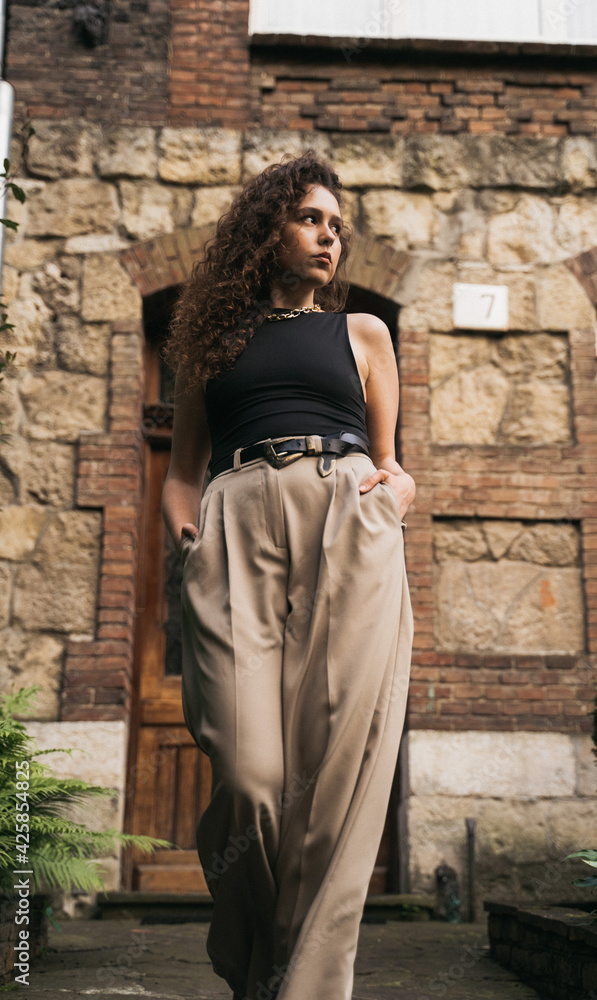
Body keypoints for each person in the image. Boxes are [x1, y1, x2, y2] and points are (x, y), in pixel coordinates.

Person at [161, 151, 414, 1000]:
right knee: (251, 777)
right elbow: (178, 475)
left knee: (334, 772)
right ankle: (256, 956)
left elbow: (389, 458)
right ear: (266, 228)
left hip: (345, 521)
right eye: (311, 219)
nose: (328, 237)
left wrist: (394, 495)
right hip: (234, 527)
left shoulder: (364, 334)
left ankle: (304, 984)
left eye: (336, 227)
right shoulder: (209, 341)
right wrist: (189, 542)